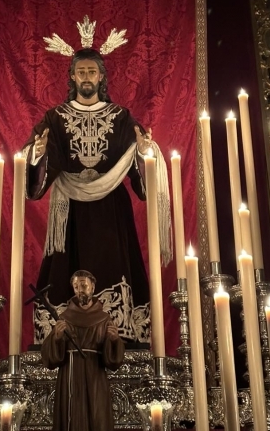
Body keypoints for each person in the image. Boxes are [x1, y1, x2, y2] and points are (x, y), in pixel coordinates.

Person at [24, 20, 170, 345]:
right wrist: (37, 153)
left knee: (112, 266)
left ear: (102, 77)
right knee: (64, 272)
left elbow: (141, 159)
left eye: (92, 72)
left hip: (110, 210)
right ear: (72, 77)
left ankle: (117, 336)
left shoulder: (120, 117)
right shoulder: (55, 118)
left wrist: (145, 152)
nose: (87, 77)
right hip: (70, 211)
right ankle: (65, 336)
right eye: (81, 72)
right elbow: (33, 161)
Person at [41, 270, 125, 431]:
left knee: (97, 421)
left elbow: (113, 361)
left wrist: (114, 340)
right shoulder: (64, 318)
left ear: (92, 287)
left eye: (83, 285)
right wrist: (57, 338)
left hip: (95, 376)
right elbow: (49, 358)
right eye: (76, 286)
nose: (80, 290)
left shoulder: (104, 319)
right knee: (70, 420)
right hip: (70, 376)